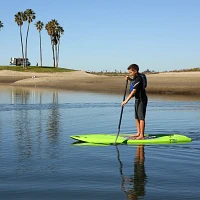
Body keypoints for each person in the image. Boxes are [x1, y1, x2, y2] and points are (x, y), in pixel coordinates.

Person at [122, 64, 148, 140]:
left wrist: (126, 101)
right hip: (137, 99)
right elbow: (134, 82)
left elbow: (133, 91)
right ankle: (138, 132)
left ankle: (141, 135)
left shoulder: (139, 78)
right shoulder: (135, 78)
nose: (130, 73)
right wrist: (129, 79)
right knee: (136, 116)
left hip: (142, 99)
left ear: (135, 71)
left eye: (130, 72)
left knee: (141, 117)